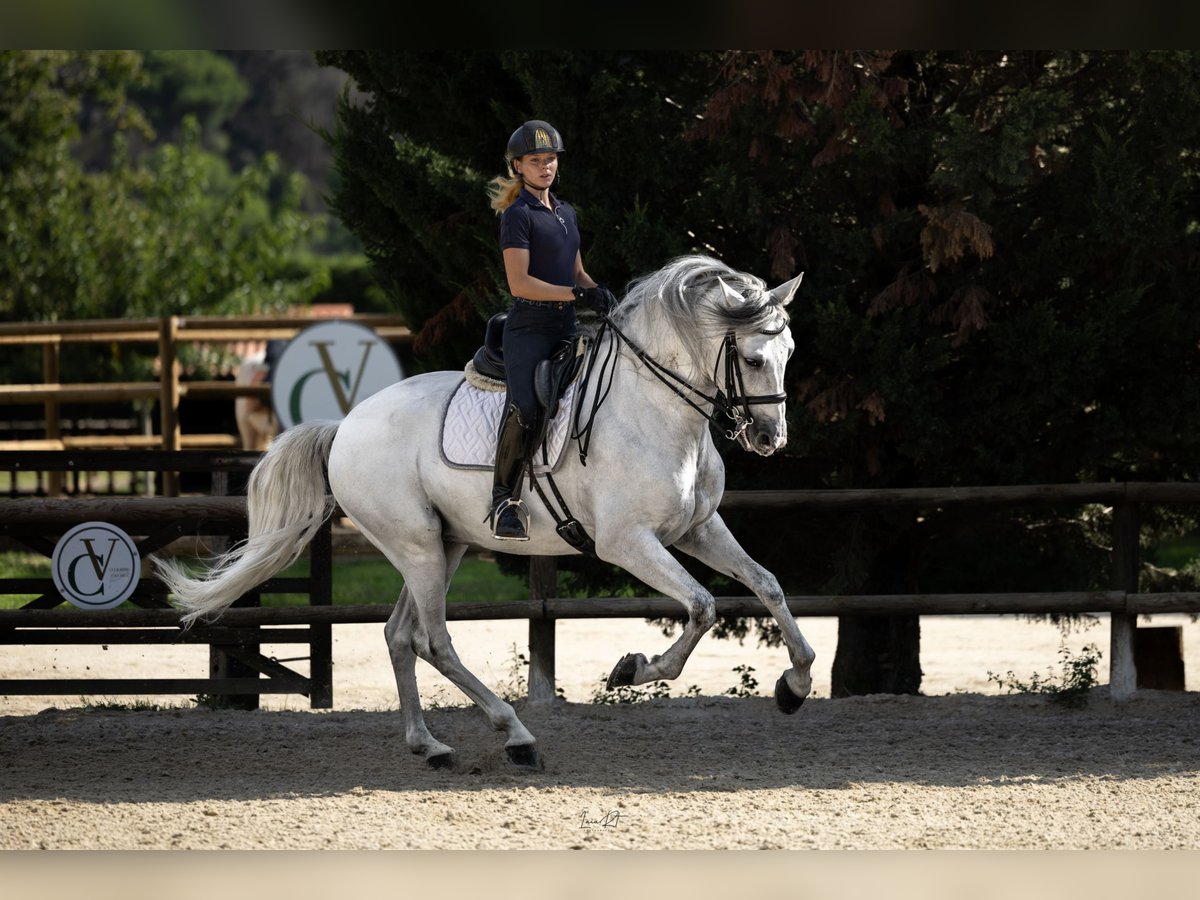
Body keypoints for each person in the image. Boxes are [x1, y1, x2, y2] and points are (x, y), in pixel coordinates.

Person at [485, 119, 616, 541]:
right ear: (518, 167)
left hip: (566, 325)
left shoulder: (566, 212)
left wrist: (600, 294)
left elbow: (577, 271)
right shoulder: (517, 216)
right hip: (530, 329)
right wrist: (577, 297)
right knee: (525, 407)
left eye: (551, 160)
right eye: (536, 161)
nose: (546, 167)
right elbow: (519, 282)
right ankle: (503, 499)